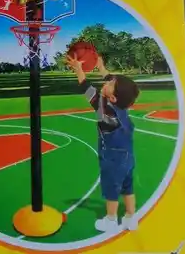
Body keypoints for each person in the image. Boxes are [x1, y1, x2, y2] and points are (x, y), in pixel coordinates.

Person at [66, 51, 140, 234]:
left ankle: (111, 220)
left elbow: (88, 89)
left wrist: (78, 69)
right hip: (128, 157)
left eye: (108, 84)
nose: (105, 83)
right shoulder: (122, 105)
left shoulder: (105, 112)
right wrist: (101, 68)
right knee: (127, 187)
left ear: (113, 97)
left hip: (113, 159)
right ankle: (131, 217)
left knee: (111, 189)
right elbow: (115, 80)